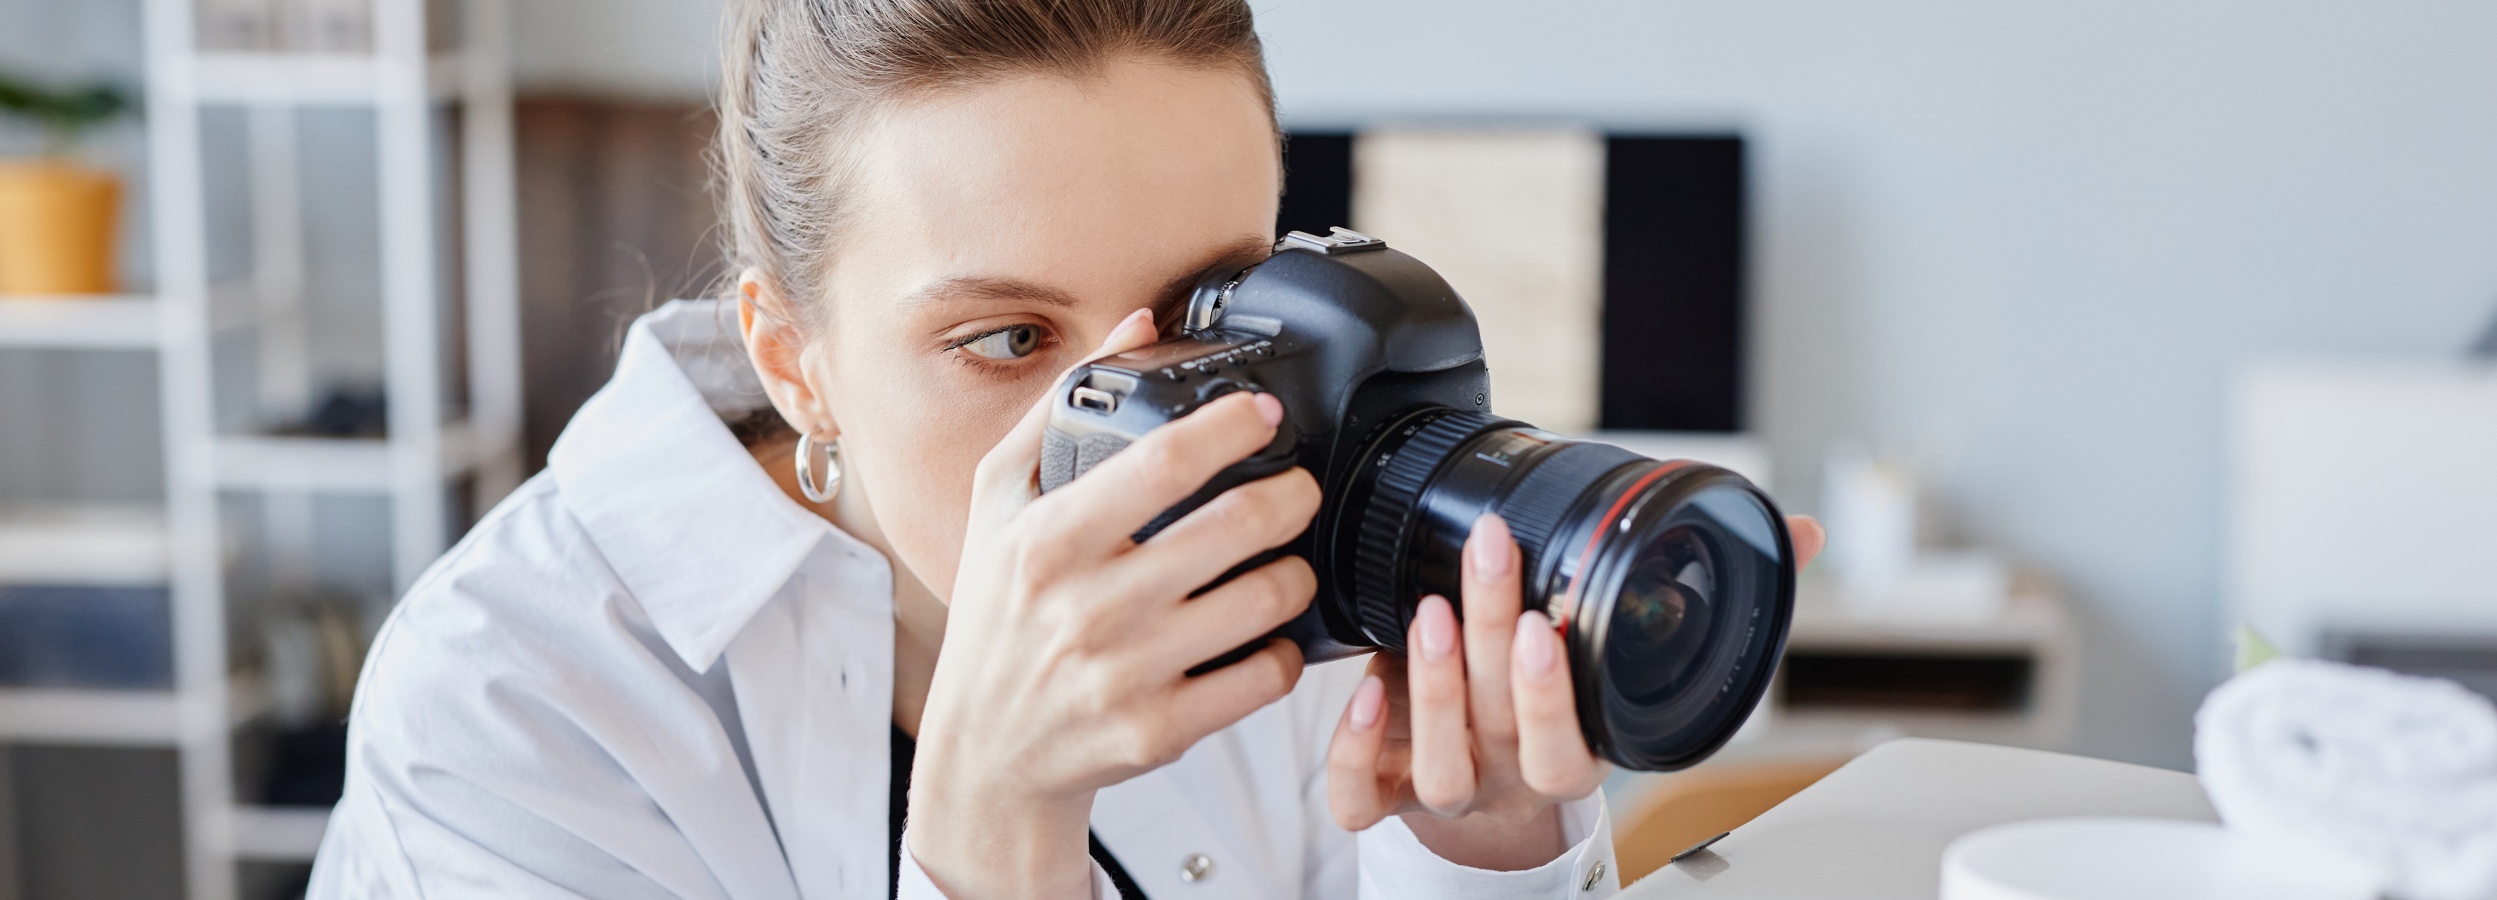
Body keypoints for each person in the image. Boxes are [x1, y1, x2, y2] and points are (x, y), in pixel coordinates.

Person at [306, 1, 1827, 897]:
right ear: (792, 358)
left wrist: (1482, 851)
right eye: (1007, 341)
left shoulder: (1284, 525)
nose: (1152, 436)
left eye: (1209, 315)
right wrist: (988, 832)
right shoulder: (506, 705)